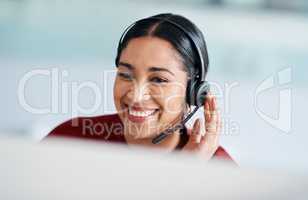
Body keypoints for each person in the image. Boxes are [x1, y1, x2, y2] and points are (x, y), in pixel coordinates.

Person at [46, 13, 234, 162]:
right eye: (126, 75)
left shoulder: (217, 167)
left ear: (193, 91)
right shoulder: (70, 139)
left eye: (159, 79)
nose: (136, 96)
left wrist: (188, 171)